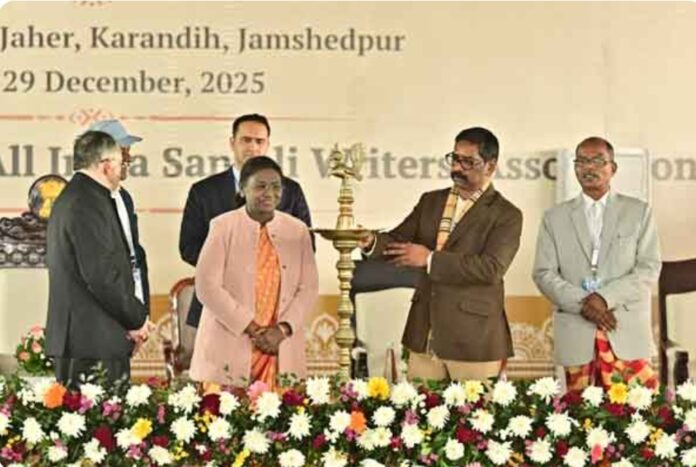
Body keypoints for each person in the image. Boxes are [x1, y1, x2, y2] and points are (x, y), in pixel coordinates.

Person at [359, 127, 522, 381]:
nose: (457, 167)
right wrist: (370, 241)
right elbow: (398, 240)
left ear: (490, 166)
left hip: (474, 339)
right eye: (455, 158)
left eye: (468, 162)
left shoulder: (507, 214)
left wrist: (430, 259)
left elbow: (491, 269)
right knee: (419, 406)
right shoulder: (431, 201)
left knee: (475, 408)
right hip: (425, 334)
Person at [532, 136, 661, 390]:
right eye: (581, 161)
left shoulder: (638, 212)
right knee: (581, 412)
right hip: (577, 329)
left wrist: (604, 298)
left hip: (625, 328)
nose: (589, 167)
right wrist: (584, 304)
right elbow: (543, 273)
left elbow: (649, 268)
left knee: (640, 411)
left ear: (613, 168)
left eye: (598, 161)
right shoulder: (554, 218)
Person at [189, 156, 318, 390]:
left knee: (279, 412)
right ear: (242, 189)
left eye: (276, 186)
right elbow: (207, 286)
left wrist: (282, 329)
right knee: (223, 412)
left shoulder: (297, 231)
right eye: (260, 186)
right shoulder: (222, 226)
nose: (269, 193)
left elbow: (308, 288)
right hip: (230, 339)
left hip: (279, 345)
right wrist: (250, 327)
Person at [179, 113, 312, 328]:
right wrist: (234, 269)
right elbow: (188, 246)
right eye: (246, 140)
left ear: (267, 144)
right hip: (216, 309)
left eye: (259, 141)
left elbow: (306, 247)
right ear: (232, 143)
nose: (253, 147)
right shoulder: (204, 191)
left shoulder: (291, 190)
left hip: (276, 311)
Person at [45, 131, 150, 387]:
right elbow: (102, 276)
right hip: (91, 341)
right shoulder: (87, 203)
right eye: (120, 162)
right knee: (100, 414)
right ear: (106, 165)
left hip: (90, 339)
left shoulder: (80, 196)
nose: (123, 168)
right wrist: (136, 319)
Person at [87, 119, 150, 310]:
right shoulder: (83, 203)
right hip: (101, 311)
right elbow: (97, 270)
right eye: (123, 152)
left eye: (128, 152)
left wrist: (141, 310)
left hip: (132, 305)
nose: (129, 159)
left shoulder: (124, 197)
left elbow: (133, 255)